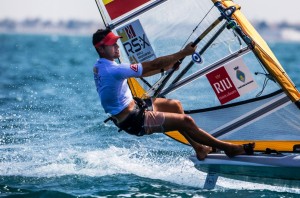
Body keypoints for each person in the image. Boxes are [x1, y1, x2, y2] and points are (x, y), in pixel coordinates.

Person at [92, 28, 254, 160]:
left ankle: (199, 148)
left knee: (175, 105)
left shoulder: (100, 66)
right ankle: (229, 148)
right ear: (100, 48)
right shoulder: (113, 69)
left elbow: (145, 72)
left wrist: (166, 68)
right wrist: (182, 53)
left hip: (134, 107)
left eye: (116, 43)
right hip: (135, 121)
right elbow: (153, 64)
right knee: (186, 121)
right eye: (111, 44)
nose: (117, 46)